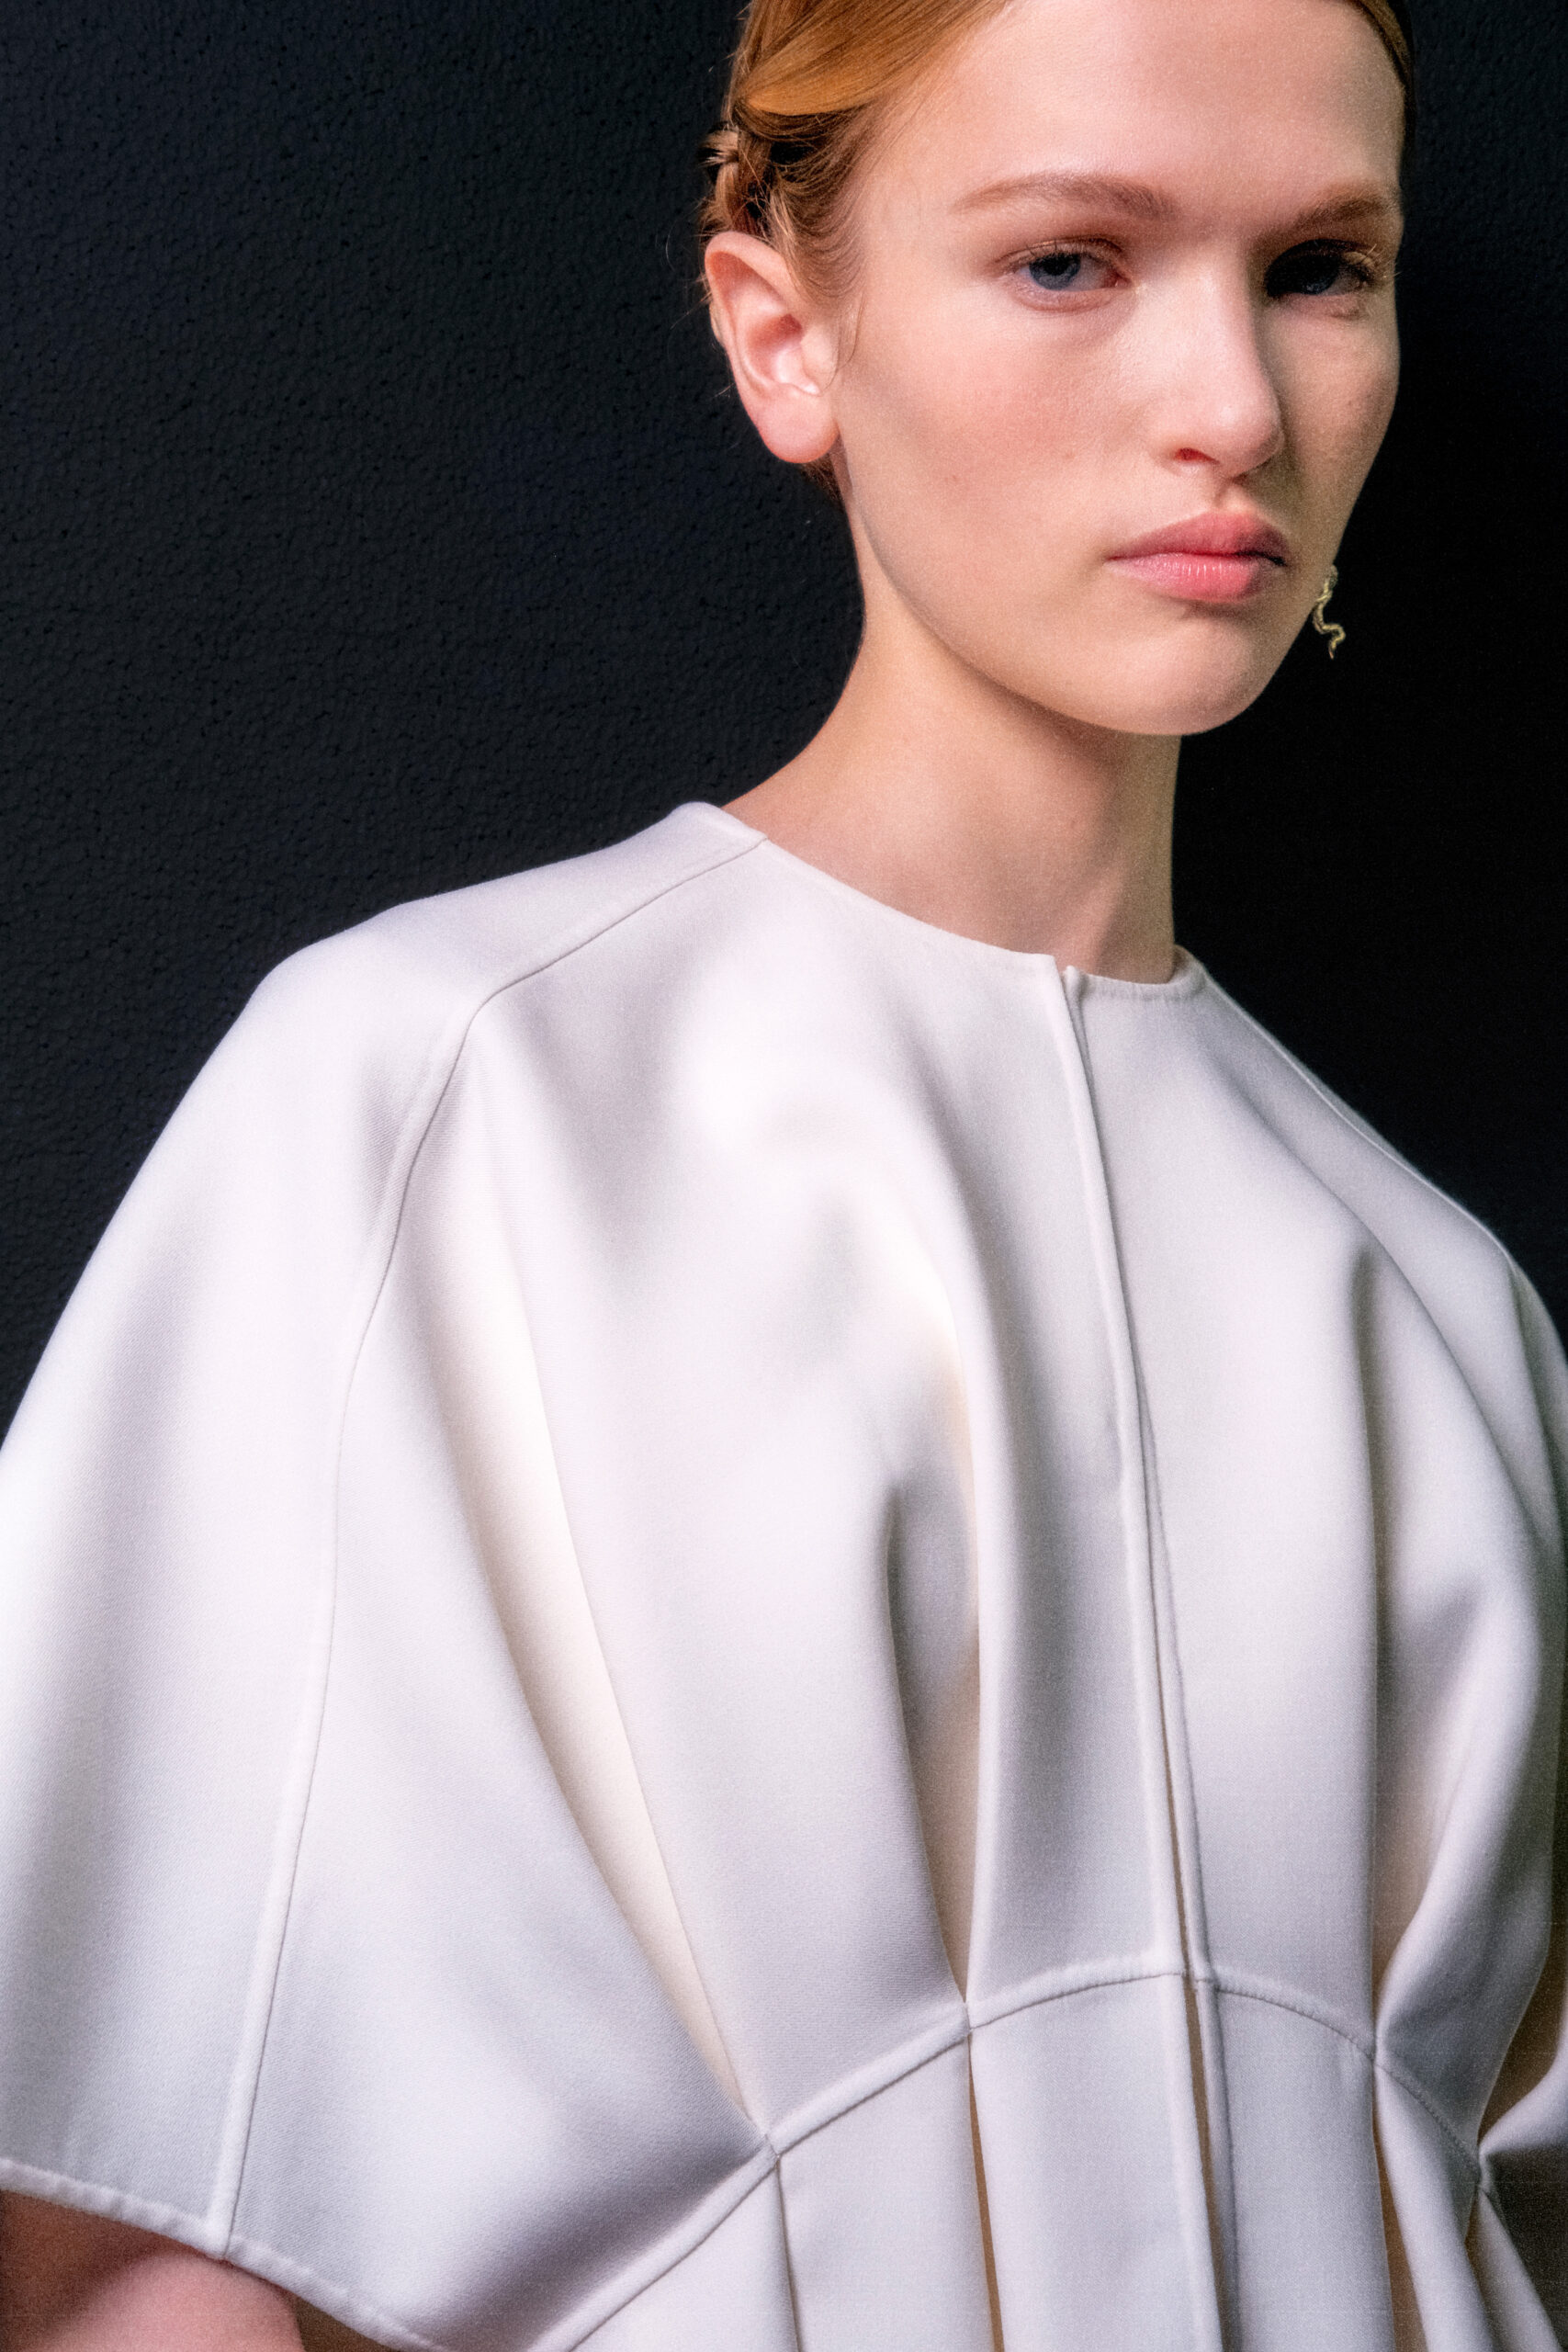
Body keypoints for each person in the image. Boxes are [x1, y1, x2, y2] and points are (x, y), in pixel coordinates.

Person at [2, 0, 1564, 2345]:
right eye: (1068, 259)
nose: (1231, 405)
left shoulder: (1434, 1305)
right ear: (781, 333)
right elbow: (151, 2224)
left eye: (1316, 269)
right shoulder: (446, 1093)